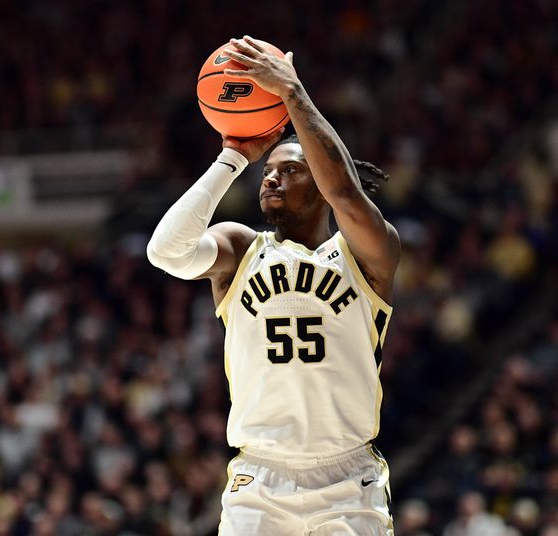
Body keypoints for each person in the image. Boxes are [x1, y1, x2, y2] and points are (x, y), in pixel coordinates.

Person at [147, 36, 400, 535]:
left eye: (291, 170)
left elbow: (346, 192)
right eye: (268, 172)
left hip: (349, 480)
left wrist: (292, 93)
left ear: (322, 184)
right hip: (259, 481)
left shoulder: (369, 253)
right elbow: (165, 251)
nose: (271, 180)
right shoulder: (242, 249)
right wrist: (233, 158)